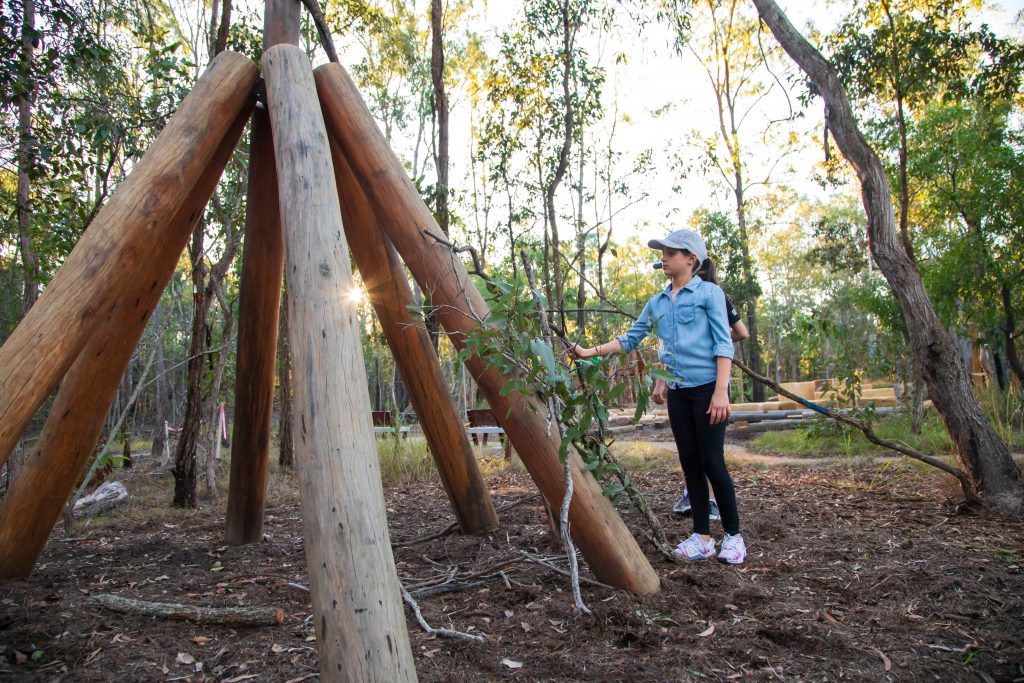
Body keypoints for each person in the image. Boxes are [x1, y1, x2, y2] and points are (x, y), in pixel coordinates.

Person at [572, 229, 746, 564]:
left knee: (712, 462)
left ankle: (734, 537)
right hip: (678, 393)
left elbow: (724, 343)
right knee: (690, 463)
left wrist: (721, 391)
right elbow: (630, 339)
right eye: (663, 252)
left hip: (708, 389)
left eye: (671, 252)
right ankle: (702, 536)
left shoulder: (709, 293)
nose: (663, 258)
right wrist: (586, 352)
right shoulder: (659, 301)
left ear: (691, 259)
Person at [652, 256, 748, 519]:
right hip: (682, 383)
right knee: (690, 453)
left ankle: (714, 503)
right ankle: (696, 505)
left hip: (710, 380)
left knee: (710, 454)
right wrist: (662, 380)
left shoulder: (713, 296)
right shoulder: (670, 300)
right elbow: (670, 345)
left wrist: (708, 340)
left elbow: (741, 331)